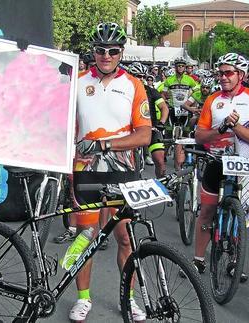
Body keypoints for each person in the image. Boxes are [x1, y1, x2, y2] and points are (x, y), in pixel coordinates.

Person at [70, 22, 151, 322]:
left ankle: (128, 299)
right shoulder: (76, 82)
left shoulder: (134, 85)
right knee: (85, 237)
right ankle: (82, 299)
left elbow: (144, 135)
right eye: (100, 50)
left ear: (121, 52)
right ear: (93, 52)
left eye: (113, 50)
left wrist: (104, 145)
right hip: (86, 171)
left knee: (125, 239)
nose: (106, 55)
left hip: (123, 172)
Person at [193, 53, 249, 279]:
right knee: (206, 211)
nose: (223, 77)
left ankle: (235, 259)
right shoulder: (213, 99)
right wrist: (222, 128)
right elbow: (199, 136)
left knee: (239, 214)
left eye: (228, 73)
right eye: (220, 73)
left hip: (243, 163)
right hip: (216, 160)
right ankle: (198, 259)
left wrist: (236, 128)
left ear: (241, 75)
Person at [128, 62, 169, 178]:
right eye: (137, 76)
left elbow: (164, 108)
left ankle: (162, 183)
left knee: (160, 160)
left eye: (143, 76)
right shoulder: (124, 91)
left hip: (151, 128)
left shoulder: (150, 91)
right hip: (131, 130)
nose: (140, 79)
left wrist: (161, 122)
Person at [160, 57, 198, 170]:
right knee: (168, 132)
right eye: (178, 66)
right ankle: (164, 155)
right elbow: (163, 93)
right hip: (172, 108)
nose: (180, 67)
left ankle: (185, 155)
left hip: (186, 109)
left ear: (185, 67)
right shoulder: (169, 80)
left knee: (186, 133)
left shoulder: (190, 80)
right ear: (175, 67)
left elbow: (197, 91)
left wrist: (192, 104)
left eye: (182, 66)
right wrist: (165, 102)